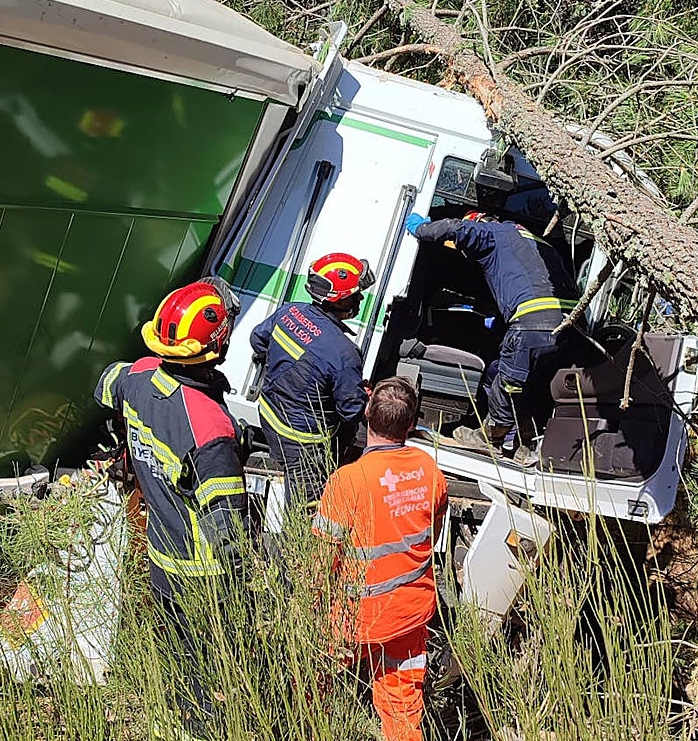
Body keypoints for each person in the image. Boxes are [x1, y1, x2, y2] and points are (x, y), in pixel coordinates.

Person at [94, 277, 248, 738]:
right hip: (202, 571)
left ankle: (181, 716)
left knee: (178, 654)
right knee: (209, 667)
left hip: (161, 553)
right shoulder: (209, 428)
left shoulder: (137, 376)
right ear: (214, 346)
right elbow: (227, 531)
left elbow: (105, 386)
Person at [312, 377, 448, 741]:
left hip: (355, 618)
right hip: (410, 611)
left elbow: (320, 563)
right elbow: (430, 533)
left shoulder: (349, 480)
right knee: (402, 709)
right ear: (412, 423)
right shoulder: (429, 470)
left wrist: (306, 610)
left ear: (367, 413)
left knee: (310, 686)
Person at [405, 210, 580, 459]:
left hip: (531, 328)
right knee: (529, 385)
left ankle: (489, 439)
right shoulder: (538, 244)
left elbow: (457, 229)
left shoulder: (493, 232)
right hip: (567, 330)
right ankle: (527, 445)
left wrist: (421, 229)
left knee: (507, 383)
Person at [249, 252, 374, 507]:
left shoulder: (289, 311)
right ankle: (292, 544)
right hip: (304, 443)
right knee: (306, 509)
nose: (360, 297)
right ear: (339, 301)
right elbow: (351, 411)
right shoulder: (344, 353)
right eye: (355, 293)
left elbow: (258, 340)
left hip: (270, 416)